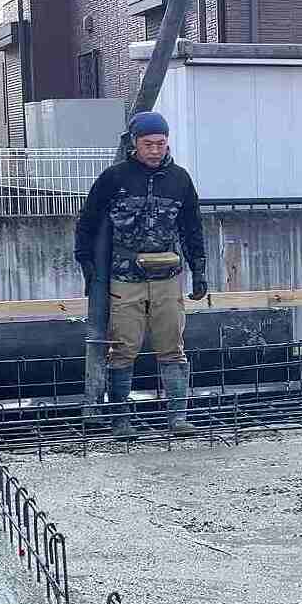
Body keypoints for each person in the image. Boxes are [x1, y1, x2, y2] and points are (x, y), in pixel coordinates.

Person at [75, 111, 208, 438]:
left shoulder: (180, 179)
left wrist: (199, 270)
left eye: (161, 144)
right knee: (123, 347)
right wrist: (86, 263)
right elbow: (87, 221)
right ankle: (121, 420)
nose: (155, 150)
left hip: (166, 278)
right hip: (124, 279)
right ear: (134, 143)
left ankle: (178, 418)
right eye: (148, 144)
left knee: (172, 347)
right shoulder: (115, 177)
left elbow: (192, 228)